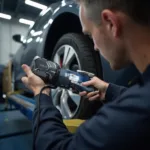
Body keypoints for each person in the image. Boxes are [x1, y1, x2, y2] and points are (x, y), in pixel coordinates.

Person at [21, 0, 150, 149]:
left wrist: (41, 92)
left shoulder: (131, 115)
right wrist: (108, 90)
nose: (94, 46)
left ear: (111, 23)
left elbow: (57, 147)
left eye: (89, 35)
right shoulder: (142, 100)